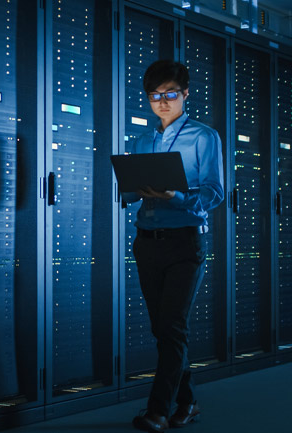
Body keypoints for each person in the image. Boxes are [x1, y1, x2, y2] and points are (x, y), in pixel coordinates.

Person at [124, 60, 224, 432]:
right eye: (155, 96)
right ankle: (189, 402)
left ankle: (157, 411)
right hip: (146, 242)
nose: (162, 102)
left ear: (185, 94)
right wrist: (133, 189)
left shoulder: (203, 137)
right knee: (162, 329)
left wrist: (176, 195)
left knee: (172, 327)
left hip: (184, 243)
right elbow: (134, 190)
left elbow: (214, 193)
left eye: (170, 94)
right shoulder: (143, 141)